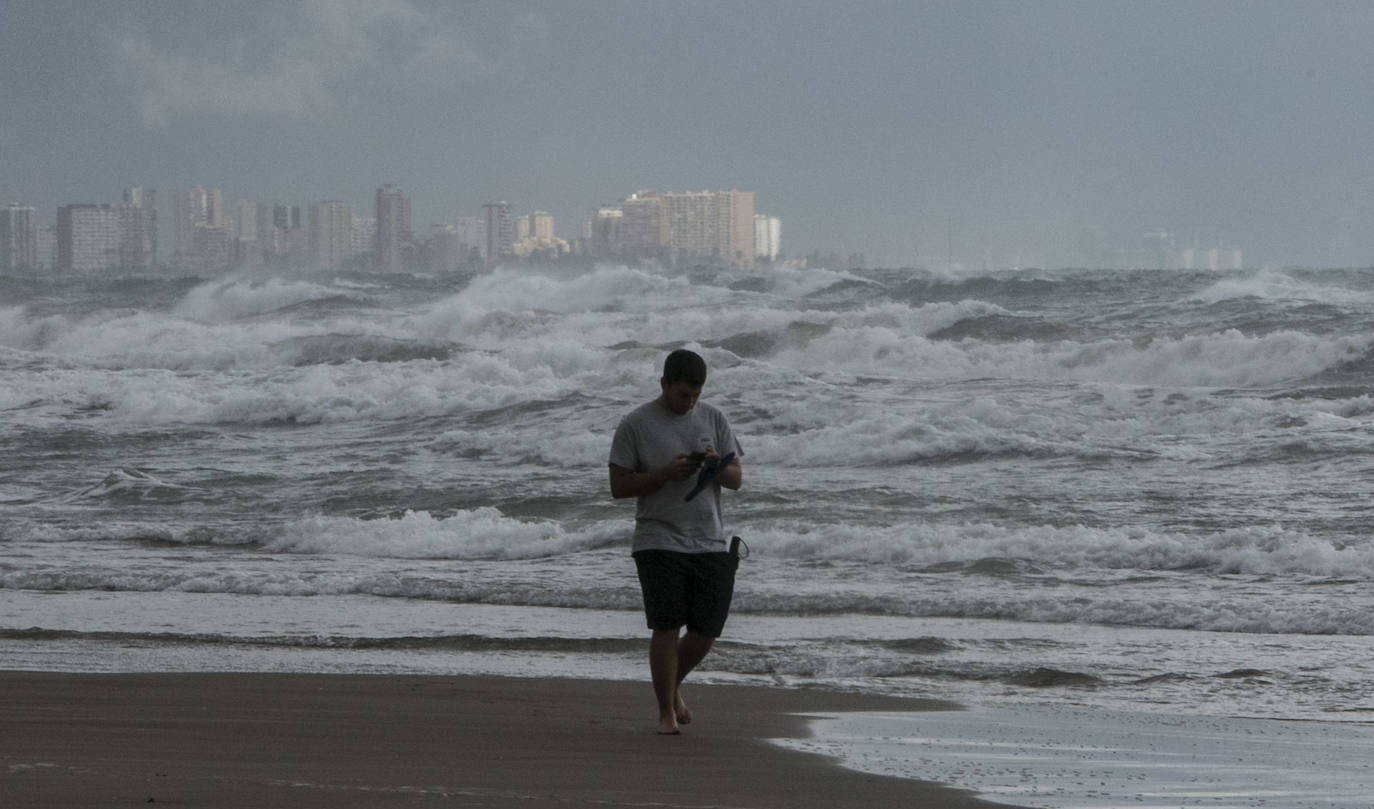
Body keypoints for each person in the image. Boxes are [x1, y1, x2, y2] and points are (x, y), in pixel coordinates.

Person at [608, 348, 743, 735]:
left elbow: (737, 479)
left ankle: (673, 686)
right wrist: (666, 473)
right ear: (664, 384)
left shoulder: (714, 417)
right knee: (666, 626)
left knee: (706, 630)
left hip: (710, 539)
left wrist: (717, 467)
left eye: (696, 395)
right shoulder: (635, 423)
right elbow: (619, 486)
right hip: (657, 536)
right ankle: (666, 713)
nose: (690, 403)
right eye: (683, 394)